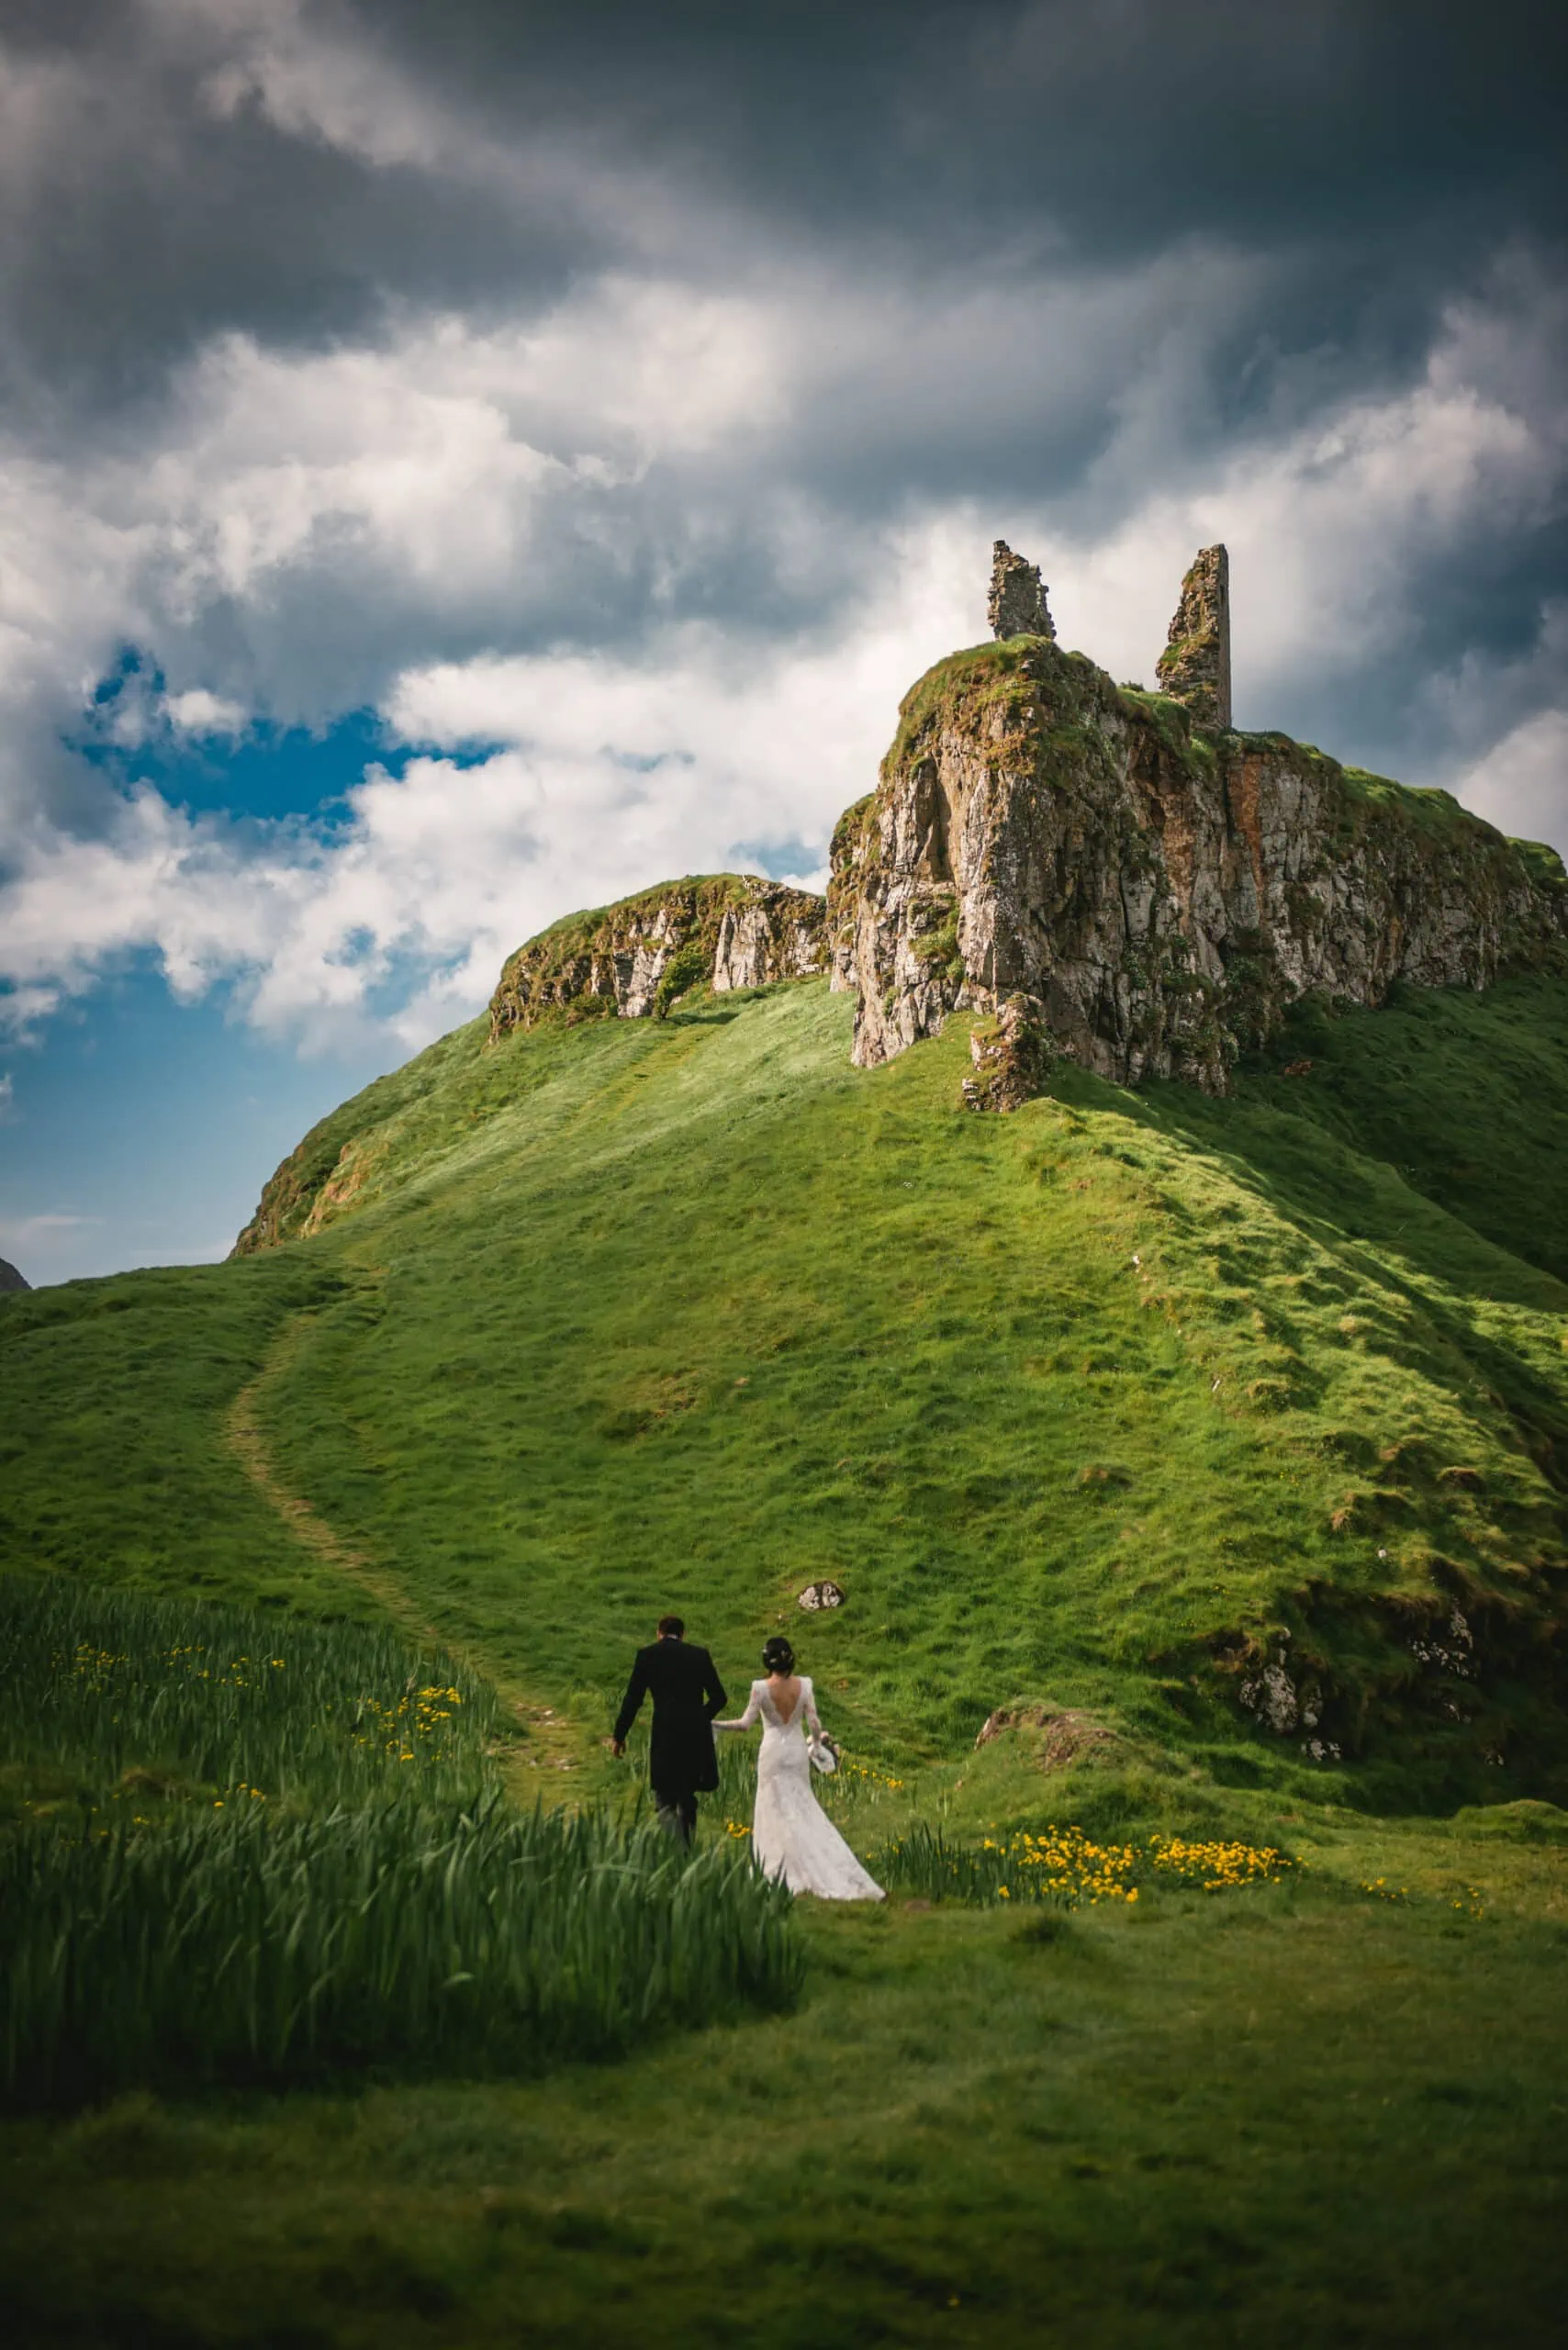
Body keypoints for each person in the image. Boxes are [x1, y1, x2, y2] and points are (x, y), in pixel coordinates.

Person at [714, 1635, 883, 1899]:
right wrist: (816, 1746)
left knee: (773, 1809)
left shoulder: (760, 1688)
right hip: (795, 1750)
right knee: (803, 1805)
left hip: (771, 1751)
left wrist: (716, 1725)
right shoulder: (804, 1685)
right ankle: (818, 1861)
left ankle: (779, 1865)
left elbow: (745, 1724)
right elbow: (814, 1723)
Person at [611, 1615, 727, 1844]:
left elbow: (633, 1699)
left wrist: (619, 1735)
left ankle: (676, 1849)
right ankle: (687, 1846)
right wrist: (700, 1717)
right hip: (693, 1735)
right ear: (682, 1635)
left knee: (664, 1795)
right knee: (687, 1792)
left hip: (664, 1731)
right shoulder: (699, 1655)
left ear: (659, 1633)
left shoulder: (647, 1656)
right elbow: (719, 1698)